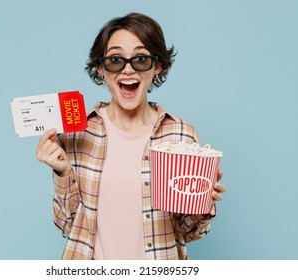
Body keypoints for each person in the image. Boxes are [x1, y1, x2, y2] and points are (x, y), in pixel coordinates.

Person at [35, 12, 226, 260]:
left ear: (157, 66)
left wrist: (203, 202)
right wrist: (62, 173)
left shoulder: (181, 134)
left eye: (141, 59)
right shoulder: (77, 132)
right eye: (115, 60)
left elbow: (187, 232)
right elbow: (67, 226)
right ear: (100, 68)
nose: (127, 69)